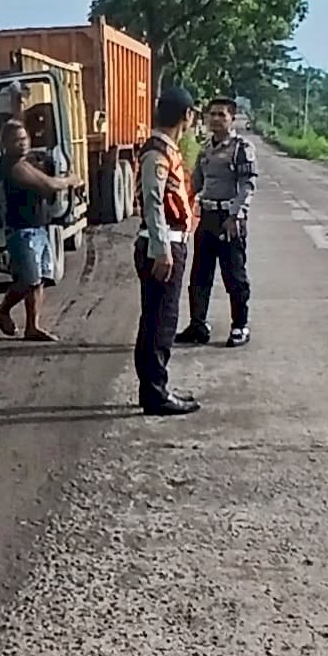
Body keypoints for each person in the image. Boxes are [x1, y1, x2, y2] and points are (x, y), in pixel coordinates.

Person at [135, 86, 201, 416]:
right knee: (159, 323)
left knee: (160, 319)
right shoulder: (157, 152)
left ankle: (157, 387)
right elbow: (153, 202)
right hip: (161, 245)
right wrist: (162, 250)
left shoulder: (167, 149)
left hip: (170, 242)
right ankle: (155, 393)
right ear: (186, 116)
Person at [0, 118, 83, 341]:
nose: (22, 144)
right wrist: (70, 180)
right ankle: (2, 309)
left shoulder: (28, 161)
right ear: (5, 144)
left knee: (39, 279)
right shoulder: (15, 167)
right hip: (22, 232)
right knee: (28, 280)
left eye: (24, 139)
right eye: (16, 141)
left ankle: (33, 326)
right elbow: (49, 185)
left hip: (38, 228)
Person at [180, 97, 256, 348]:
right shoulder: (205, 148)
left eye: (221, 115)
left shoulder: (241, 148)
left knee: (234, 276)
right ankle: (198, 325)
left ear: (232, 118)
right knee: (200, 275)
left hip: (229, 219)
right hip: (208, 217)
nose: (215, 119)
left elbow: (247, 185)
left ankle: (240, 326)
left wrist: (236, 215)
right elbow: (196, 183)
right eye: (212, 114)